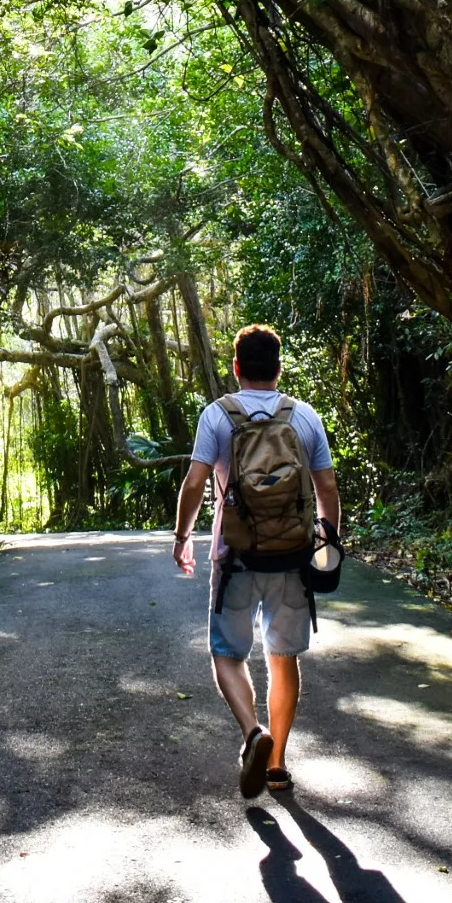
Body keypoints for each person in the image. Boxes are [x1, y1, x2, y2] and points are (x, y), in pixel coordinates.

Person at [172, 323, 340, 800]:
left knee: (227, 654)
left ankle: (251, 734)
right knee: (283, 658)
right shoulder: (302, 416)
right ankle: (278, 765)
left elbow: (195, 481)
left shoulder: (218, 416)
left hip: (236, 557)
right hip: (291, 556)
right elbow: (326, 489)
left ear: (237, 368)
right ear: (279, 368)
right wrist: (327, 543)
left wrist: (183, 536)